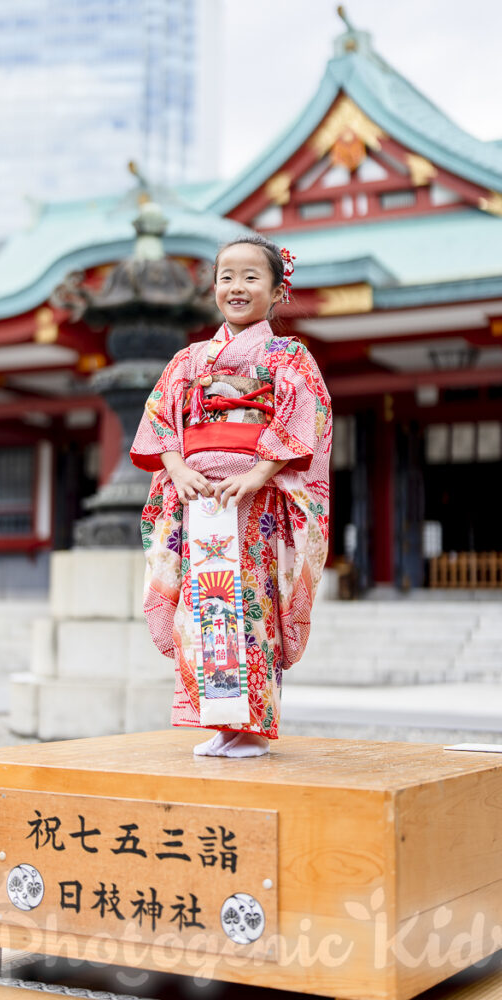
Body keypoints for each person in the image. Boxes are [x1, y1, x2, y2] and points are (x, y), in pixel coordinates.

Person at [130, 234, 331, 758]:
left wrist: (260, 474)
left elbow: (306, 418)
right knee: (205, 611)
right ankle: (219, 723)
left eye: (250, 277)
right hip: (199, 500)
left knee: (249, 605)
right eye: (226, 277)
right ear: (213, 286)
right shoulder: (190, 358)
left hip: (255, 503)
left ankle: (253, 727)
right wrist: (176, 469)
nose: (236, 287)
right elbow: (160, 421)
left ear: (276, 289)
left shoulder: (290, 356)